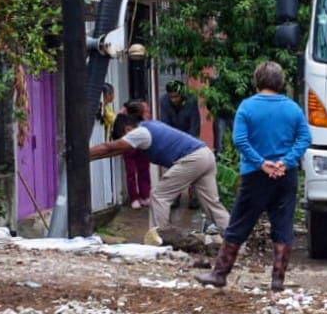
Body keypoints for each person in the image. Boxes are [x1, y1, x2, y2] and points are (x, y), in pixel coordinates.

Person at [197, 62, 311, 290]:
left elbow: (240, 140)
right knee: (283, 225)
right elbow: (305, 138)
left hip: (254, 175)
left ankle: (219, 273)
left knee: (239, 223)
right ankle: (278, 279)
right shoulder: (293, 109)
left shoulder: (247, 107)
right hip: (285, 175)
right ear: (281, 82)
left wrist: (261, 163)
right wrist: (286, 161)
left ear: (257, 80)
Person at [90, 111, 229, 235]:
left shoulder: (139, 133)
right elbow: (115, 150)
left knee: (159, 195)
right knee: (212, 204)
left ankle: (159, 239)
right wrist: (90, 158)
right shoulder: (149, 126)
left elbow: (109, 147)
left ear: (128, 129)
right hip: (205, 154)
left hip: (193, 158)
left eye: (123, 137)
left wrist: (83, 153)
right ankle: (234, 240)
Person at [160, 81, 203, 209]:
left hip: (189, 138)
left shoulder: (191, 100)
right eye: (171, 97)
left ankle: (193, 196)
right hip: (173, 138)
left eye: (176, 96)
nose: (173, 100)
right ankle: (174, 197)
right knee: (173, 168)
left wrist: (190, 145)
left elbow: (195, 124)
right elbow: (165, 124)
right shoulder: (164, 101)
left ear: (182, 94)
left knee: (192, 168)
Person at [114, 99, 152, 210]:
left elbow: (148, 125)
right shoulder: (122, 115)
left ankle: (145, 196)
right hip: (128, 145)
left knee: (144, 170)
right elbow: (117, 130)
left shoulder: (142, 116)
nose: (145, 111)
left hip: (141, 145)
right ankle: (134, 198)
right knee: (131, 173)